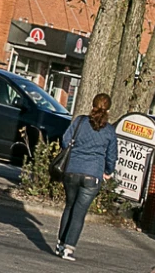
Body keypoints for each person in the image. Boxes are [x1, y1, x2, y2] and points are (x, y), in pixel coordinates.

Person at [55, 92, 119, 261]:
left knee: (69, 206)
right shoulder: (110, 131)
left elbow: (64, 140)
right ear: (109, 109)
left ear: (93, 104)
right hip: (93, 174)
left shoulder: (80, 121)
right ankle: (68, 248)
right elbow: (112, 156)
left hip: (72, 170)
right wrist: (108, 171)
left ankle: (60, 243)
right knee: (79, 212)